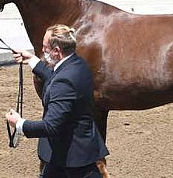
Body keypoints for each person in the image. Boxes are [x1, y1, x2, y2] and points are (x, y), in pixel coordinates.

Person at [6, 24, 109, 178]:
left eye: (45, 47)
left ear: (56, 51)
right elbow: (56, 78)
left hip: (74, 159)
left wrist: (19, 123)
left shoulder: (64, 81)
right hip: (68, 152)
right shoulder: (77, 64)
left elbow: (50, 126)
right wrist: (32, 61)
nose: (43, 51)